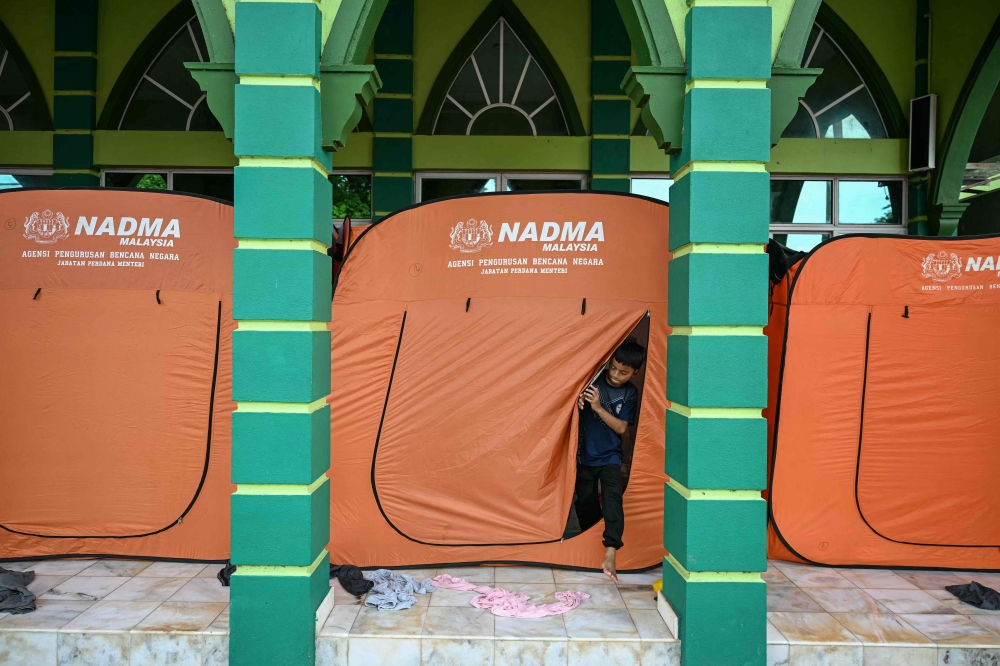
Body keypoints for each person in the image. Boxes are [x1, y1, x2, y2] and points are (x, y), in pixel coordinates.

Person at [575, 338, 646, 582]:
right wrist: (581, 402)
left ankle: (611, 550)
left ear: (634, 372)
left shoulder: (629, 393)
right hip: (584, 454)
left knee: (613, 499)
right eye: (613, 368)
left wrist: (597, 407)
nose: (616, 375)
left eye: (624, 372)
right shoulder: (593, 380)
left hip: (611, 456)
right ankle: (591, 538)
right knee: (584, 502)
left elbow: (622, 428)